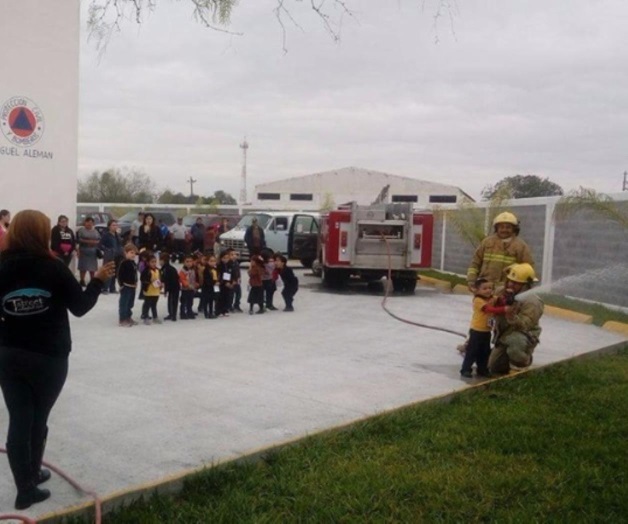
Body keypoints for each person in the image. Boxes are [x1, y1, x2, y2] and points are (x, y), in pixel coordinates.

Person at [0, 210, 114, 510]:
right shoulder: (54, 267)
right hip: (49, 358)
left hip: (9, 356)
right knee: (39, 419)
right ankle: (32, 477)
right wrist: (99, 281)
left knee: (19, 419)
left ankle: (26, 488)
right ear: (43, 234)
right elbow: (80, 307)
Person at [483, 263, 543, 375]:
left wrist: (511, 316)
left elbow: (525, 325)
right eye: (509, 280)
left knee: (515, 343)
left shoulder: (532, 302)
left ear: (526, 285)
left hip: (523, 334)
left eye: (515, 283)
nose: (510, 284)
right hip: (505, 334)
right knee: (493, 367)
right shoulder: (500, 292)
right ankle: (507, 358)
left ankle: (522, 364)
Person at [466, 211, 534, 292]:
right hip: (485, 286)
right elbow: (475, 262)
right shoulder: (487, 242)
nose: (504, 230)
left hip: (506, 289)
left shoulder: (521, 246)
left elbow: (528, 268)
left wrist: (523, 287)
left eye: (508, 227)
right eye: (501, 227)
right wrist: (471, 280)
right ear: (496, 228)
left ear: (514, 229)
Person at [460, 278, 494, 379]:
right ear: (477, 290)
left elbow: (501, 300)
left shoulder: (492, 298)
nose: (488, 290)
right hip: (477, 331)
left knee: (484, 352)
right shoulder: (478, 300)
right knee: (472, 351)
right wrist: (503, 309)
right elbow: (488, 309)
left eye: (490, 288)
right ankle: (465, 369)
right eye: (484, 288)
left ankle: (482, 369)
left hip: (487, 331)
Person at [99, 219, 124, 294]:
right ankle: (105, 288)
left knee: (115, 272)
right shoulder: (106, 235)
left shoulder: (117, 235)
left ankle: (112, 288)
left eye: (116, 225)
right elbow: (100, 245)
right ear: (109, 226)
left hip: (118, 255)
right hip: (109, 255)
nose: (115, 227)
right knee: (108, 271)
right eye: (113, 225)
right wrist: (107, 250)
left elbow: (120, 244)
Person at [118, 243, 139, 327]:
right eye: (131, 252)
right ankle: (122, 319)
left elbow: (135, 274)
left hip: (132, 286)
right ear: (125, 253)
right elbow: (119, 275)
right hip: (126, 286)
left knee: (130, 303)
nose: (133, 255)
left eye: (134, 253)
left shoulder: (133, 263)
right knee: (124, 303)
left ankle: (128, 317)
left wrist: (136, 282)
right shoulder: (124, 263)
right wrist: (121, 284)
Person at [77, 217, 101, 287]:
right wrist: (88, 241)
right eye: (87, 222)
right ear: (85, 223)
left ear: (93, 223)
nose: (89, 224)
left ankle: (92, 280)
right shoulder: (81, 230)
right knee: (83, 267)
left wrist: (95, 242)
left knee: (92, 268)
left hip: (93, 251)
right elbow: (79, 239)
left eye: (91, 222)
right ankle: (82, 280)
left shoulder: (95, 231)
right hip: (84, 250)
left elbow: (99, 240)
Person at [140, 255, 162, 325]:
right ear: (148, 262)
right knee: (147, 304)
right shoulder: (146, 270)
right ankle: (145, 316)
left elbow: (161, 278)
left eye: (155, 262)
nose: (154, 263)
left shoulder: (158, 270)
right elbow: (142, 279)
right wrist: (149, 281)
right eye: (152, 262)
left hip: (156, 291)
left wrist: (161, 284)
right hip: (149, 291)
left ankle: (155, 316)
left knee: (154, 305)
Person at [160, 252, 180, 321]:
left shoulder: (167, 269)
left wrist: (166, 290)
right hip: (173, 287)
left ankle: (173, 315)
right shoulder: (165, 268)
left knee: (173, 301)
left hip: (173, 287)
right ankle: (171, 313)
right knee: (171, 300)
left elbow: (167, 280)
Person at [178, 256, 198, 320]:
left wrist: (195, 284)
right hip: (185, 289)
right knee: (184, 302)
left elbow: (194, 279)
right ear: (184, 262)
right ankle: (182, 313)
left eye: (190, 261)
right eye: (187, 261)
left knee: (190, 301)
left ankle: (189, 311)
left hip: (191, 288)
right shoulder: (183, 271)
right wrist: (187, 285)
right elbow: (182, 279)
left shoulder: (193, 270)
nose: (189, 263)